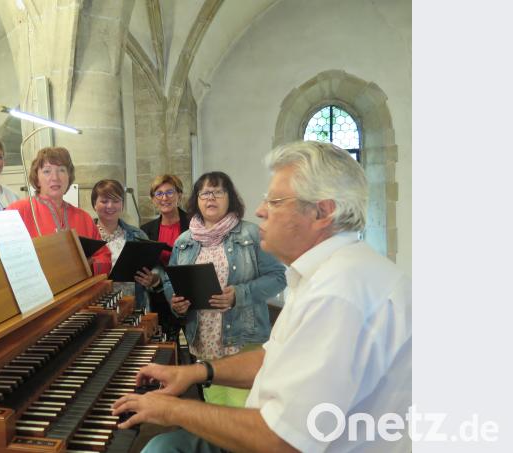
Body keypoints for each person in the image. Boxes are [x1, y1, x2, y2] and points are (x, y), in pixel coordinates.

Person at [112, 141, 412, 453]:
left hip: (280, 442)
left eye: (275, 201)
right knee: (164, 447)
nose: (260, 210)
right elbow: (275, 357)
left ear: (323, 212)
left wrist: (170, 409)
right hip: (265, 421)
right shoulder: (328, 273)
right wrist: (196, 371)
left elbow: (283, 442)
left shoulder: (338, 294)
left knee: (162, 448)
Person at [162, 171, 286, 407]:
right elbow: (171, 281)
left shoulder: (251, 234)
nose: (211, 198)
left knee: (243, 406)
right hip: (203, 336)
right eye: (205, 193)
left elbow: (278, 277)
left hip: (242, 335)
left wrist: (240, 294)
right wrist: (174, 300)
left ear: (230, 198)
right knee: (214, 404)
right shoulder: (184, 241)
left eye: (218, 192)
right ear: (196, 200)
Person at [0, 146, 111, 276]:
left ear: (69, 176)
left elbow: (104, 256)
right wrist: (20, 255)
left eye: (61, 170)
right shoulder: (18, 210)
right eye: (47, 171)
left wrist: (89, 265)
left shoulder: (84, 218)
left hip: (79, 293)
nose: (55, 177)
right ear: (37, 178)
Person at [139, 174, 190, 340]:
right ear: (153, 199)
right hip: (159, 298)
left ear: (179, 195)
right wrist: (151, 279)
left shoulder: (195, 224)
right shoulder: (145, 230)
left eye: (170, 192)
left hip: (188, 297)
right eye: (159, 194)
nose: (164, 198)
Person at [91, 179, 151, 310]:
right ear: (94, 204)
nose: (110, 206)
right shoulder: (85, 234)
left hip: (132, 306)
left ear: (122, 205)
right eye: (104, 201)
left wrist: (151, 279)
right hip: (95, 306)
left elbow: (154, 270)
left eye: (116, 201)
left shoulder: (138, 235)